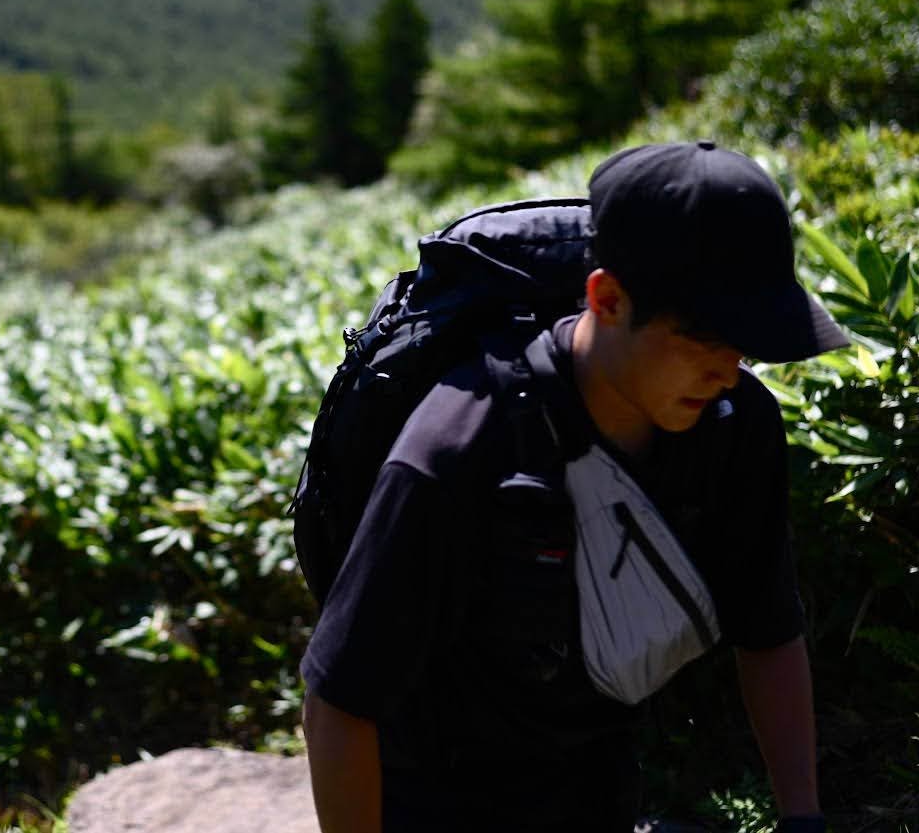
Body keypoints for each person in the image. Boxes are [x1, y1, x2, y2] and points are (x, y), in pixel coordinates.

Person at [299, 140, 843, 832]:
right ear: (608, 299)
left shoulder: (737, 424)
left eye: (748, 342)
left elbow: (767, 627)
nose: (729, 371)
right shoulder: (459, 448)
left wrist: (802, 816)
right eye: (708, 337)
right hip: (430, 795)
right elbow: (339, 703)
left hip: (596, 783)